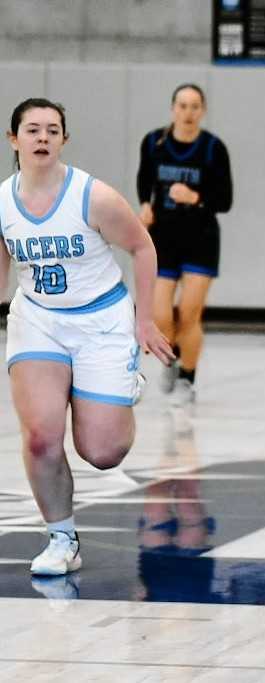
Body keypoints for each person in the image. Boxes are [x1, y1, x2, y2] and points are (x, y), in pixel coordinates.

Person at [0, 98, 173, 576]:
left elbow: (142, 247)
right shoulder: (2, 202)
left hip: (101, 321)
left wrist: (144, 322)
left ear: (64, 140)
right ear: (13, 139)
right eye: (32, 129)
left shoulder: (92, 196)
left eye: (52, 130)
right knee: (41, 437)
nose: (42, 138)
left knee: (102, 453)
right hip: (39, 319)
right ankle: (62, 539)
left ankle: (118, 385)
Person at [137, 84, 233, 406]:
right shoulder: (154, 142)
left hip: (200, 239)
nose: (188, 112)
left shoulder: (213, 148)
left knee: (190, 315)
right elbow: (144, 179)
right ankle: (174, 358)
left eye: (194, 106)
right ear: (172, 108)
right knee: (161, 317)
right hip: (163, 237)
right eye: (182, 105)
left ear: (202, 111)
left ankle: (187, 380)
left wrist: (195, 197)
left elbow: (225, 200)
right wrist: (145, 205)